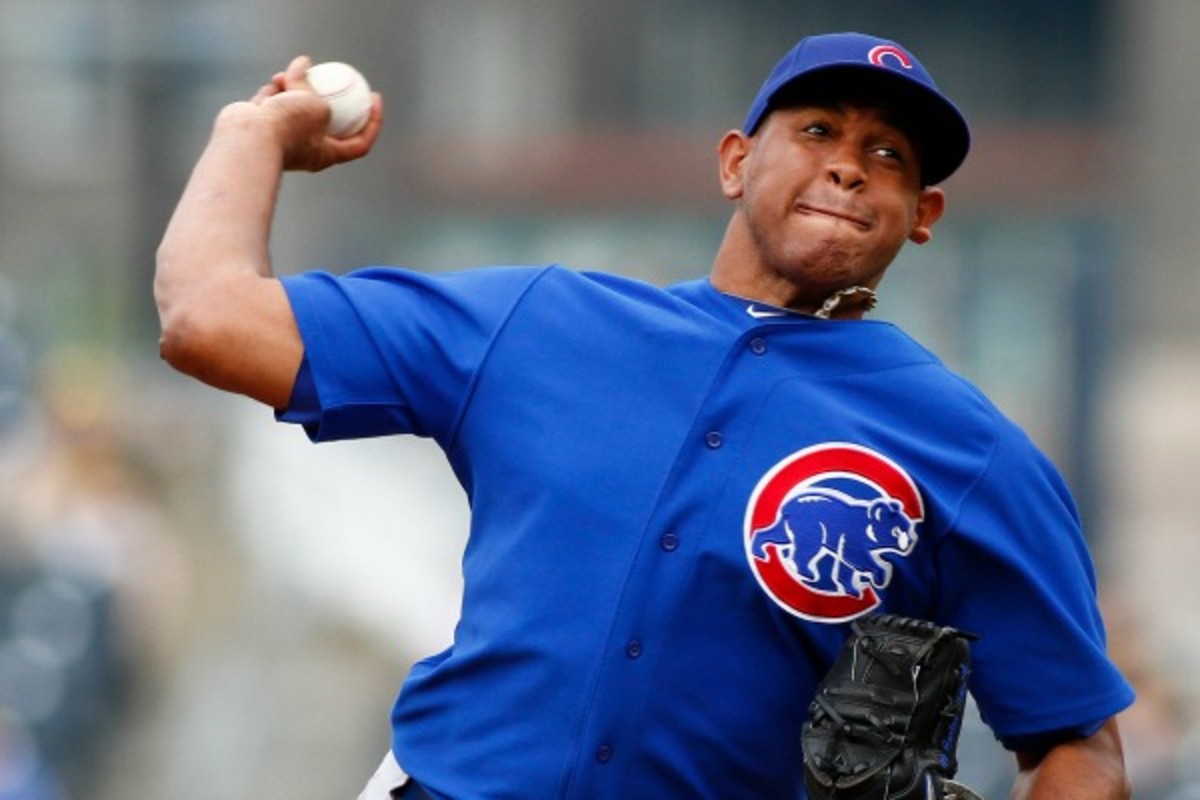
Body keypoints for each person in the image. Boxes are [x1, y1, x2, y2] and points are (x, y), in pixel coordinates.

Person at [154, 31, 1135, 799]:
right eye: (820, 131)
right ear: (735, 161)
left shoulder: (966, 449)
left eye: (888, 154)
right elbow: (206, 316)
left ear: (922, 215)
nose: (850, 166)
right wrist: (250, 135)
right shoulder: (541, 323)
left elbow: (1078, 740)